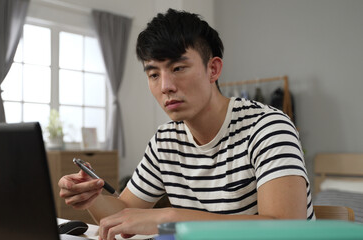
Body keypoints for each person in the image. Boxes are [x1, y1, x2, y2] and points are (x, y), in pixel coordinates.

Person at [59, 8, 315, 240]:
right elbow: (125, 212)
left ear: (213, 70)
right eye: (154, 74)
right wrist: (90, 197)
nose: (165, 86)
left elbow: (286, 229)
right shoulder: (165, 141)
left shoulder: (268, 127)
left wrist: (170, 218)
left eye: (178, 68)